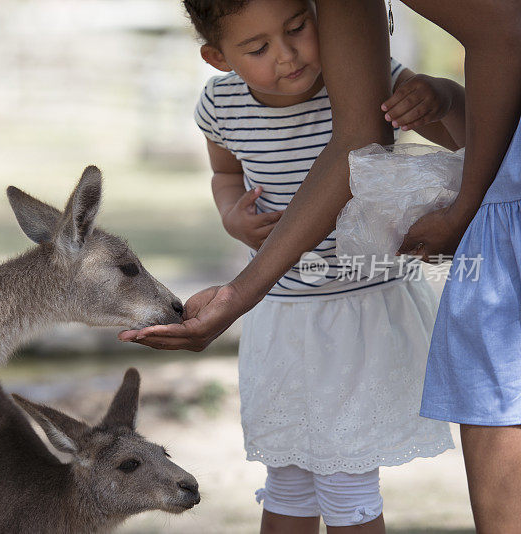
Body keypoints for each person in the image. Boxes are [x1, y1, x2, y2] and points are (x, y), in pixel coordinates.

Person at [121, 0, 521, 531]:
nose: (287, 56)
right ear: (218, 57)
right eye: (259, 48)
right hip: (283, 312)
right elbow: (224, 175)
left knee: (344, 477)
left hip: (358, 313)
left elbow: (478, 137)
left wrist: (441, 96)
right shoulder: (222, 105)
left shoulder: (370, 78)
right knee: (287, 477)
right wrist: (232, 216)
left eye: (298, 28)